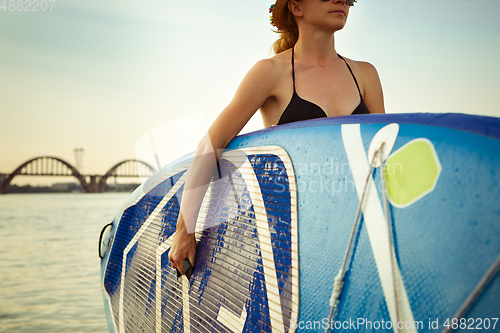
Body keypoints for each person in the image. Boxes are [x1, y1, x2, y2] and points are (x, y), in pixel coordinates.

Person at [168, 0, 385, 275]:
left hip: (356, 230)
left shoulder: (365, 74)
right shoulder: (271, 72)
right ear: (295, 7)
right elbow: (211, 145)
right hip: (292, 240)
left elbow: (381, 157)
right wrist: (184, 230)